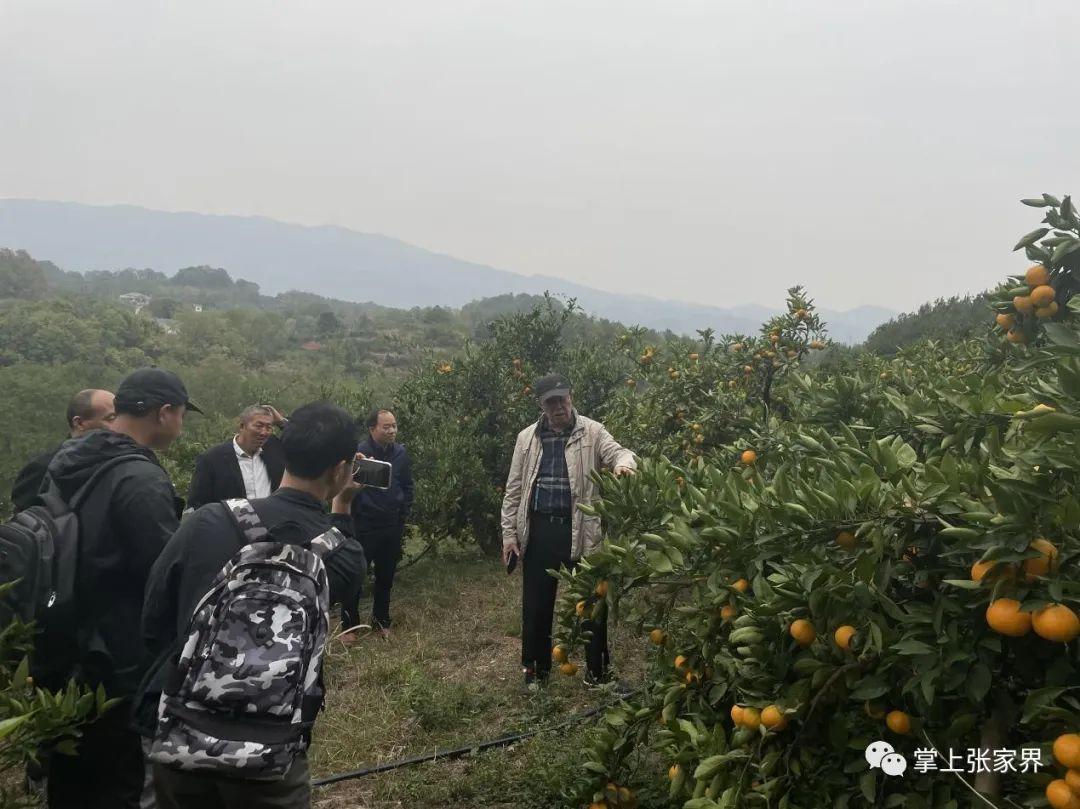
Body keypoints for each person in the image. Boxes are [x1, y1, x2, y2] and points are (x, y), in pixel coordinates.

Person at [139, 402, 366, 809]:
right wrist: (343, 509)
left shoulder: (205, 521)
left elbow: (153, 619)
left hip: (182, 735)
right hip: (271, 749)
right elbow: (344, 594)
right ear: (340, 469)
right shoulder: (343, 554)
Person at [42, 368, 198, 809]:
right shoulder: (139, 479)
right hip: (118, 657)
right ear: (165, 413)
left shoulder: (68, 463)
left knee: (72, 777)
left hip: (66, 643)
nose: (181, 425)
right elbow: (166, 572)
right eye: (182, 414)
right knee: (122, 781)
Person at [500, 373, 636, 687]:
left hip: (583, 528)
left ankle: (598, 673)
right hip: (539, 529)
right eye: (551, 401)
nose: (559, 406)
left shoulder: (592, 431)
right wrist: (509, 534)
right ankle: (535, 671)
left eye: (563, 398)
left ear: (571, 397)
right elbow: (514, 490)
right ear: (541, 405)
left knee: (592, 602)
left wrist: (624, 464)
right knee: (536, 605)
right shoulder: (527, 438)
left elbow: (618, 452)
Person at [349, 408, 413, 638]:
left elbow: (407, 484)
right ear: (372, 428)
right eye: (386, 426)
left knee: (385, 576)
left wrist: (403, 511)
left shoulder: (400, 453)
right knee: (356, 575)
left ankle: (381, 622)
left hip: (391, 524)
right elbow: (347, 489)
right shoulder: (360, 454)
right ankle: (350, 626)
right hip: (365, 525)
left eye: (394, 425)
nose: (392, 430)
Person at [10, 388, 116, 512]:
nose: (120, 425)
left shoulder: (118, 462)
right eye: (111, 418)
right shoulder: (43, 467)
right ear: (79, 423)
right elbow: (26, 523)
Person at [186, 404, 287, 510]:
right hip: (230, 525)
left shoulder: (275, 449)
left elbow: (302, 442)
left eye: (269, 427)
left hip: (272, 524)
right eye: (259, 426)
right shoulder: (212, 459)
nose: (264, 432)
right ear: (242, 426)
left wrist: (282, 422)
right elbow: (196, 505)